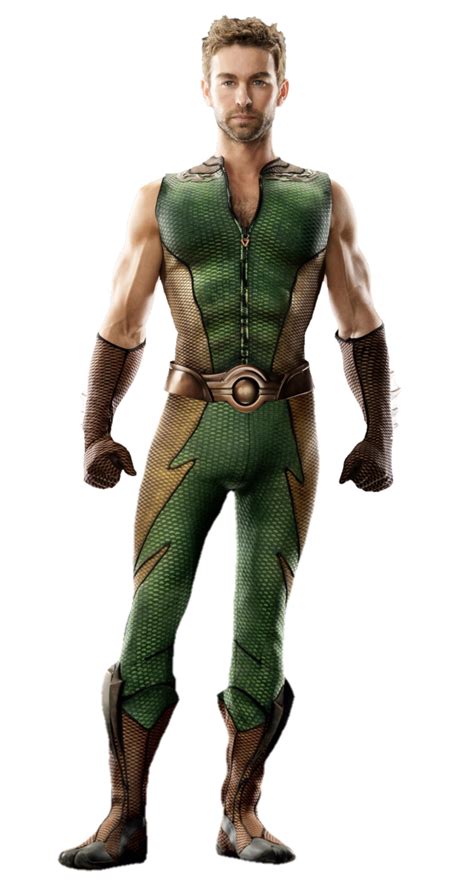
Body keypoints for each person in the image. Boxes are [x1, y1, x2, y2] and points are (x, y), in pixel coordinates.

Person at [58, 15, 399, 870]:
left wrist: (380, 437)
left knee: (262, 621)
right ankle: (124, 817)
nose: (244, 96)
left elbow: (360, 319)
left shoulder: (322, 199)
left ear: (282, 88)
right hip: (188, 432)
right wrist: (95, 431)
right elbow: (122, 320)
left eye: (258, 81)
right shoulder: (164, 199)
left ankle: (240, 812)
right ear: (204, 89)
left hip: (288, 434)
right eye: (229, 81)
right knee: (150, 615)